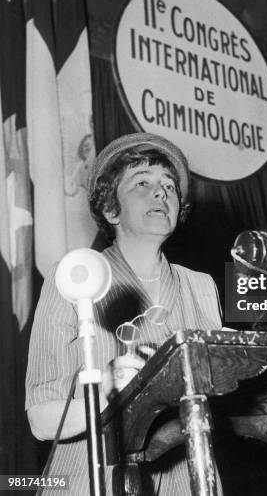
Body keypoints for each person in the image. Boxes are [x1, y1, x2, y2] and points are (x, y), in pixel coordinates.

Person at [25, 132, 223, 495]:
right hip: (91, 478)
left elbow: (227, 393)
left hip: (188, 478)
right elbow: (40, 420)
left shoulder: (201, 286)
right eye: (142, 182)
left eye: (169, 185)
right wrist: (106, 394)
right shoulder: (73, 276)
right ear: (110, 209)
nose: (161, 192)